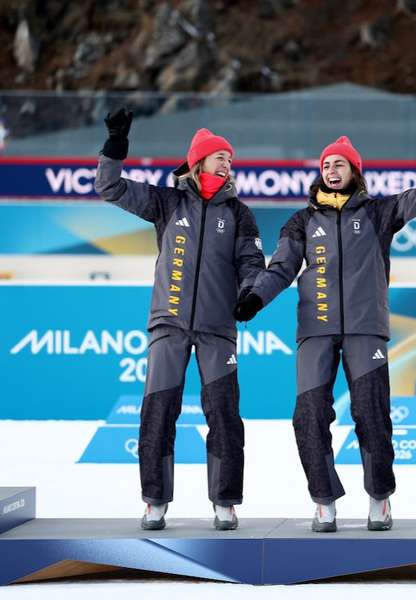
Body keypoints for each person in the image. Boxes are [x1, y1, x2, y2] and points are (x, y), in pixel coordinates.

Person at [234, 112, 416, 532]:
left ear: (355, 171)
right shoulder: (300, 221)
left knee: (372, 413)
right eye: (326, 165)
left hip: (366, 328)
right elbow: (280, 268)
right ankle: (324, 500)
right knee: (309, 415)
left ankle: (379, 497)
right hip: (315, 330)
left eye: (340, 164)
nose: (332, 170)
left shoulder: (379, 213)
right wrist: (256, 298)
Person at [95, 109, 266, 531]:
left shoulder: (240, 213)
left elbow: (251, 261)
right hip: (168, 324)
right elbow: (109, 187)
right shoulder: (167, 202)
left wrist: (249, 295)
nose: (227, 163)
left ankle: (225, 501)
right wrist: (116, 144)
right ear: (197, 162)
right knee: (158, 411)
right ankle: (154, 501)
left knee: (224, 414)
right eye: (219, 156)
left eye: (229, 158)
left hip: (217, 329)